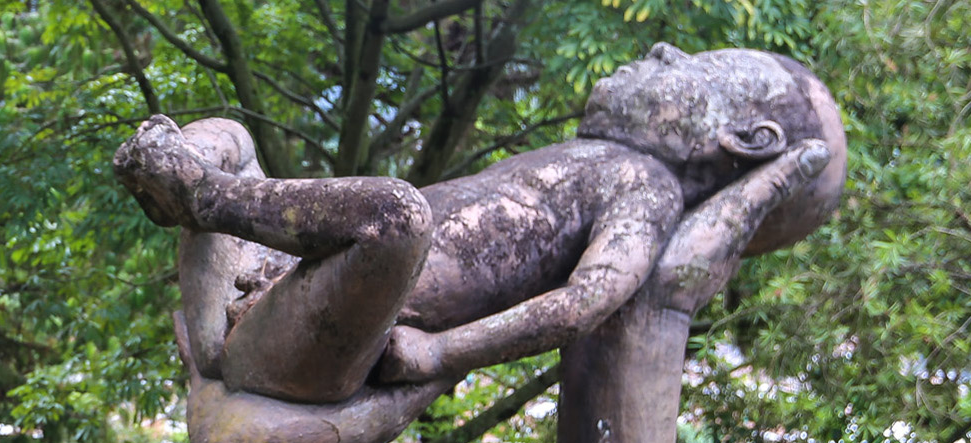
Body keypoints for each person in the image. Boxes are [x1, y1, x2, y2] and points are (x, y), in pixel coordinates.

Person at [112, 44, 845, 404]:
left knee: (400, 215)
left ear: (747, 143)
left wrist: (440, 354)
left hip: (315, 343)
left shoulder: (645, 187)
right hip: (255, 309)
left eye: (701, 70)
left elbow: (588, 300)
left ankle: (200, 195)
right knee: (229, 134)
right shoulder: (594, 156)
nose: (662, 50)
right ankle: (199, 185)